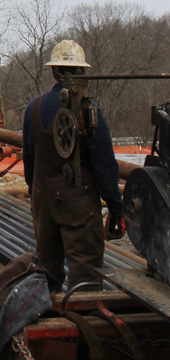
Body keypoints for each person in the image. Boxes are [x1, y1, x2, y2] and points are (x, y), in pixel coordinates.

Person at [23, 39, 124, 292]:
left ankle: (50, 324)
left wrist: (37, 194)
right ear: (81, 72)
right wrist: (115, 207)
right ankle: (83, 324)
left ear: (54, 71)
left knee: (46, 273)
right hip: (78, 206)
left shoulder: (33, 108)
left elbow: (30, 160)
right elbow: (104, 166)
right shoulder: (88, 111)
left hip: (43, 201)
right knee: (85, 276)